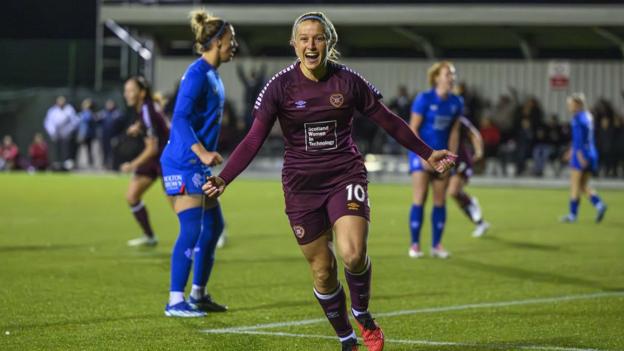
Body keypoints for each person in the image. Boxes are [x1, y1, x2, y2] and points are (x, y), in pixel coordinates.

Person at [202, 12, 456, 350]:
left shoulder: (347, 81)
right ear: (294, 45)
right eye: (304, 38)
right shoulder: (279, 87)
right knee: (323, 270)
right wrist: (225, 179)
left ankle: (362, 313)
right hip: (301, 186)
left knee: (352, 254)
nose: (311, 44)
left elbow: (388, 120)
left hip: (344, 174)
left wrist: (427, 153)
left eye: (318, 38)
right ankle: (346, 338)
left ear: (329, 42)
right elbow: (253, 139)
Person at [159, 9, 237, 317]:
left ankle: (198, 294)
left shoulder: (212, 74)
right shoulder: (196, 74)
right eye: (232, 39)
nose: (235, 44)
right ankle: (175, 301)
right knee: (191, 228)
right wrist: (202, 152)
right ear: (217, 42)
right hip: (184, 163)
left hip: (196, 164)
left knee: (214, 226)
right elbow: (178, 118)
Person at [407, 61, 462, 259]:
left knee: (440, 200)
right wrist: (423, 154)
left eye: (453, 74)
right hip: (421, 155)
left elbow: (455, 132)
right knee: (420, 198)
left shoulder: (457, 102)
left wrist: (452, 157)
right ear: (437, 77)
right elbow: (412, 128)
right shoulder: (424, 98)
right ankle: (414, 245)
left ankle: (436, 245)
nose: (452, 78)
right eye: (448, 74)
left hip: (443, 157)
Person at [120, 76, 170, 247]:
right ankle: (149, 237)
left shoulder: (147, 110)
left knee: (180, 206)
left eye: (130, 90)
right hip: (156, 158)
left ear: (142, 93)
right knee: (132, 196)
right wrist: (138, 127)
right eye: (125, 90)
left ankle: (214, 230)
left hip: (167, 158)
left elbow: (153, 148)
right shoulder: (145, 108)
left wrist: (131, 165)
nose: (126, 94)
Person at [561, 93, 607, 223]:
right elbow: (584, 138)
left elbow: (579, 140)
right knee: (583, 185)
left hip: (581, 154)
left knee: (575, 185)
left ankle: (572, 215)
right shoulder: (588, 116)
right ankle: (600, 205)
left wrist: (579, 155)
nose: (569, 106)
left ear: (577, 104)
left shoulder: (577, 118)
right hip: (591, 152)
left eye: (570, 104)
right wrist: (571, 150)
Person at [447, 117, 490, 237]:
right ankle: (479, 222)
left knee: (453, 191)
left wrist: (479, 151)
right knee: (454, 195)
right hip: (444, 160)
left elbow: (473, 134)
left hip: (461, 161)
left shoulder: (458, 120)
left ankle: (472, 206)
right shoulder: (434, 117)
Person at [43, 96, 79, 170]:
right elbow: (48, 122)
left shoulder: (69, 109)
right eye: (59, 102)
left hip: (67, 135)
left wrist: (68, 131)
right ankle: (56, 164)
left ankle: (67, 165)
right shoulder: (52, 110)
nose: (61, 103)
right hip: (55, 135)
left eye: (62, 102)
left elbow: (75, 121)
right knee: (56, 150)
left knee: (66, 150)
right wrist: (52, 132)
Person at [97, 99, 124, 170]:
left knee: (113, 152)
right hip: (104, 136)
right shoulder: (103, 113)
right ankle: (105, 164)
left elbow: (121, 124)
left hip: (114, 136)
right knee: (104, 151)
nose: (109, 106)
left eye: (111, 104)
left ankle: (113, 165)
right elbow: (96, 120)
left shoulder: (117, 113)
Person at [77, 98, 97, 168]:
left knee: (90, 150)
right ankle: (81, 164)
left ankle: (90, 164)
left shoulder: (90, 114)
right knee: (82, 150)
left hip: (88, 135)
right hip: (83, 134)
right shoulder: (82, 113)